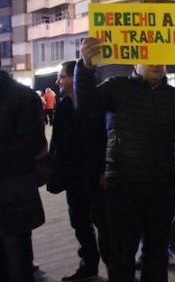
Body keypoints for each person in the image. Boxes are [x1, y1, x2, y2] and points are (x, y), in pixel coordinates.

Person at [75, 37, 175, 282]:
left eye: (161, 57)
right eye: (149, 56)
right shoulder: (115, 88)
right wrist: (85, 67)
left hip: (162, 189)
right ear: (135, 61)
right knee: (122, 255)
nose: (156, 63)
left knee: (156, 254)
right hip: (123, 188)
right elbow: (86, 107)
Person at [48, 60, 110, 281]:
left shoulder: (97, 103)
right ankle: (88, 265)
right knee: (80, 223)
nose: (58, 81)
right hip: (73, 177)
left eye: (61, 76)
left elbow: (106, 140)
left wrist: (104, 170)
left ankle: (115, 268)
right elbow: (57, 143)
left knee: (103, 223)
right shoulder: (63, 106)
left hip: (96, 176)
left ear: (74, 77)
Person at [0, 67, 47, 282]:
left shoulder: (20, 96)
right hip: (17, 194)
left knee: (16, 261)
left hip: (13, 195)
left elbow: (32, 144)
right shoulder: (22, 95)